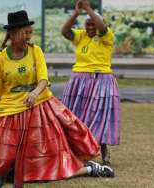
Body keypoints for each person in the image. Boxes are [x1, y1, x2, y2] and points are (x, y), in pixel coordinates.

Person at [0, 10, 113, 188]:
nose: (28, 36)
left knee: (46, 154)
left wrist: (34, 93)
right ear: (12, 33)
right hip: (9, 111)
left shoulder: (36, 51)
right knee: (5, 153)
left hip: (38, 108)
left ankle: (89, 167)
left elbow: (44, 79)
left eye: (30, 32)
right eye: (25, 33)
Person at [61, 0, 121, 166]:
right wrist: (76, 13)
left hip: (101, 80)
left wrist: (88, 8)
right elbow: (65, 31)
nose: (90, 27)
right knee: (75, 117)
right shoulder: (80, 36)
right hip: (78, 81)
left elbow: (101, 28)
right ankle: (75, 152)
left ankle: (103, 149)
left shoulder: (106, 36)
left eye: (92, 24)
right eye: (87, 24)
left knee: (100, 116)